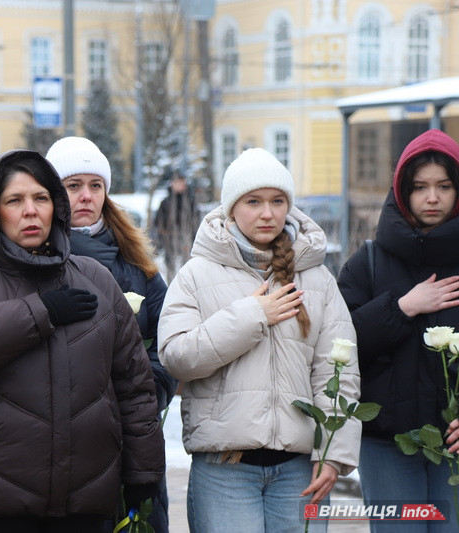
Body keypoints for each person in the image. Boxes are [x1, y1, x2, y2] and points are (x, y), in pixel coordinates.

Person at [0, 149, 165, 532]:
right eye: (14, 200)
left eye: (40, 198)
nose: (31, 211)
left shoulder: (96, 279)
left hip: (82, 499)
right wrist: (42, 312)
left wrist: (143, 472)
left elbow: (133, 386)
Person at [158, 148, 360, 533]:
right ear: (231, 208)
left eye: (277, 201)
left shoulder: (317, 279)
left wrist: (333, 455)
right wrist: (253, 316)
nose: (267, 213)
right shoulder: (196, 275)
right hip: (224, 473)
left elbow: (339, 371)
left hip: (299, 475)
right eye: (253, 201)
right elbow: (177, 358)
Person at [45, 136, 176, 532]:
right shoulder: (32, 259)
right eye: (73, 186)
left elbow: (168, 343)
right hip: (57, 444)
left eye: (95, 186)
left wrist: (146, 392)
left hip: (130, 439)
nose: (86, 196)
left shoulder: (137, 267)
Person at [338, 129, 459, 533]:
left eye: (444, 186)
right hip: (388, 446)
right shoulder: (368, 263)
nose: (432, 197)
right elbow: (339, 344)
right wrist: (403, 307)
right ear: (402, 192)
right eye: (420, 187)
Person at [153, 170, 196, 280]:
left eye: (182, 182)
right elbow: (158, 222)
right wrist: (164, 235)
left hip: (187, 238)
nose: (180, 185)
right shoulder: (166, 202)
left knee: (188, 267)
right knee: (170, 268)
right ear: (172, 183)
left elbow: (196, 220)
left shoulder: (190, 201)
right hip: (169, 240)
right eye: (177, 182)